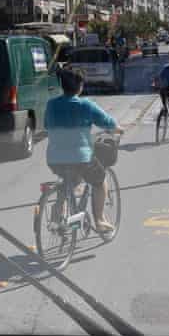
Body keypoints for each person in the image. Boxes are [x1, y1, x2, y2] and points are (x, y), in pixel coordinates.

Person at [45, 68, 120, 232]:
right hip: (80, 158)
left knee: (69, 182)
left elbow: (46, 125)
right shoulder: (85, 105)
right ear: (80, 86)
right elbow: (107, 122)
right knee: (100, 181)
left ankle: (58, 217)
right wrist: (118, 129)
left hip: (54, 159)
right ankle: (100, 221)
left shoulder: (51, 104)